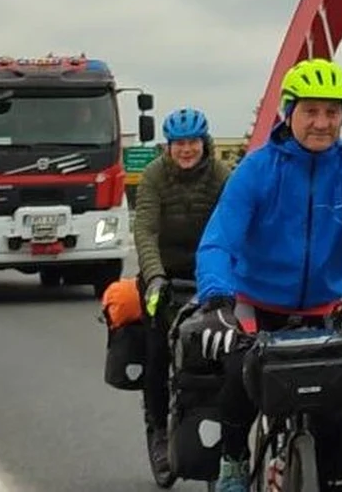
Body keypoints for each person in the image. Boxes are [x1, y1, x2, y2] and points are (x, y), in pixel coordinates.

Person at [191, 57, 342, 492]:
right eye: (311, 111)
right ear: (288, 112)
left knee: (335, 421)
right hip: (257, 302)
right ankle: (233, 463)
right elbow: (218, 241)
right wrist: (216, 302)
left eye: (332, 112)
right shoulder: (256, 170)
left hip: (321, 308)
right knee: (237, 378)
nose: (322, 123)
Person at [131, 107, 231, 486]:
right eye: (179, 144)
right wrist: (154, 278)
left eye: (192, 143)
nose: (186, 150)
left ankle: (226, 437)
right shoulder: (155, 175)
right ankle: (158, 430)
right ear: (168, 147)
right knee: (157, 353)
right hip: (165, 275)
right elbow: (145, 229)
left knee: (223, 352)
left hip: (210, 275)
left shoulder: (222, 176)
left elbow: (235, 223)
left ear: (204, 144)